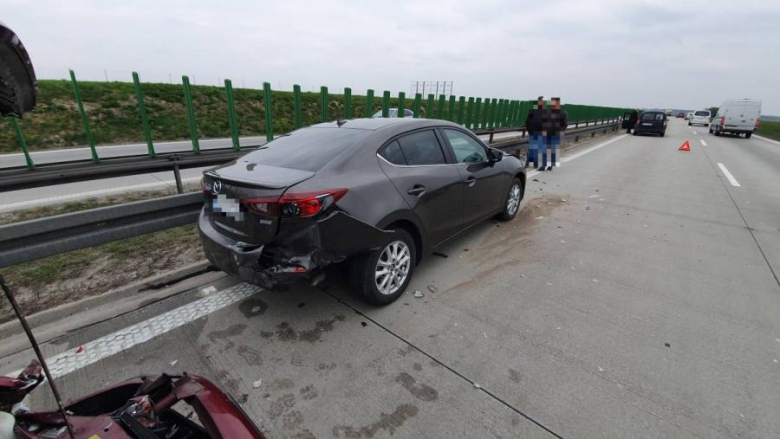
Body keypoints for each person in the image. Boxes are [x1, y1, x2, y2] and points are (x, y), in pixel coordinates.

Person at [541, 97, 568, 171]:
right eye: (552, 103)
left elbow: (565, 124)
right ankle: (543, 165)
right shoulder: (548, 112)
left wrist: (559, 130)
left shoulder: (562, 113)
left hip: (556, 135)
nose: (553, 104)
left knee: (553, 151)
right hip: (547, 134)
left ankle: (551, 165)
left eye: (555, 103)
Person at [524, 96, 545, 169]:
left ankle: (535, 163)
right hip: (533, 132)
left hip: (540, 133)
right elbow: (527, 122)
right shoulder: (532, 111)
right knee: (532, 148)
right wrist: (530, 131)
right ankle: (528, 162)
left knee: (537, 148)